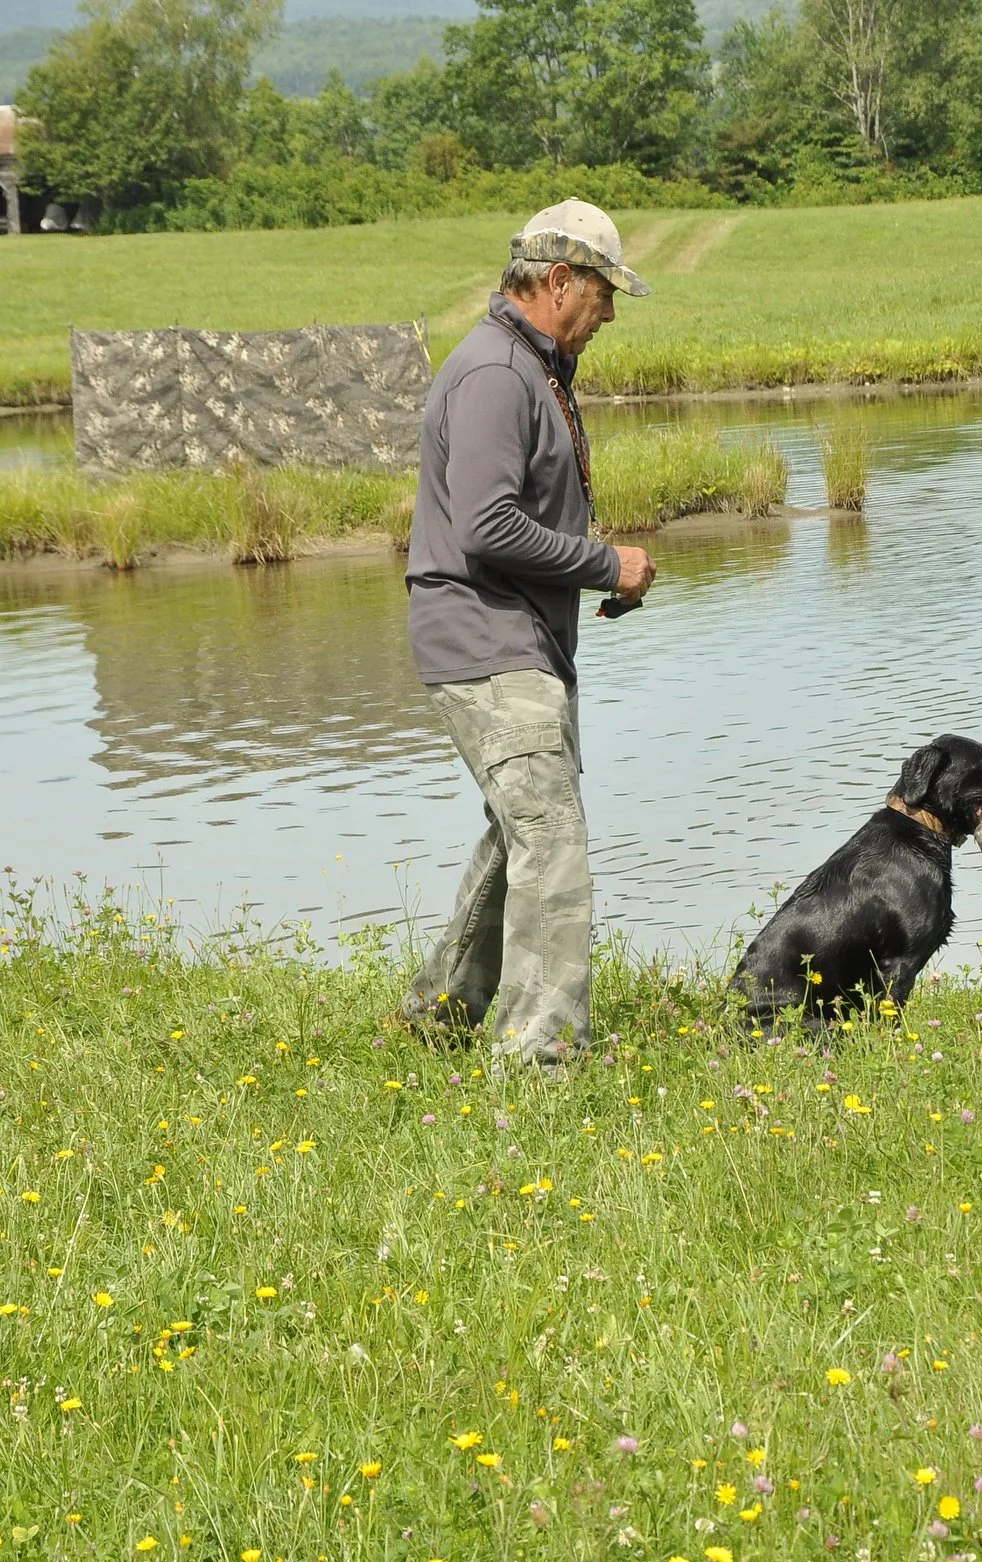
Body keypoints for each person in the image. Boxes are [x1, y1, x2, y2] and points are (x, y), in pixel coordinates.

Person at [400, 199, 658, 1065]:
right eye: (604, 292)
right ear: (558, 281)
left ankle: (437, 1015)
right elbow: (485, 526)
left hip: (512, 640)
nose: (611, 313)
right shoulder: (496, 375)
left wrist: (591, 572)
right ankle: (539, 1053)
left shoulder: (527, 368)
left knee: (520, 835)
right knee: (551, 841)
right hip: (485, 642)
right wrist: (601, 563)